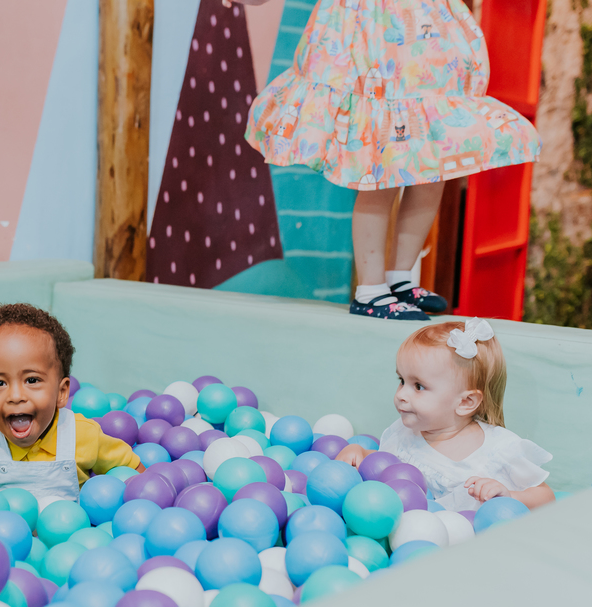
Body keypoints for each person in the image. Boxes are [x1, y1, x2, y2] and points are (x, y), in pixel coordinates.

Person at [234, 0, 541, 320]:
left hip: (426, 43)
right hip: (374, 38)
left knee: (432, 169)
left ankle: (400, 279)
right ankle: (370, 289)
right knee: (379, 170)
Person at [0, 304, 143, 515]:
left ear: (61, 392)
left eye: (32, 380)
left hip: (68, 543)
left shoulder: (82, 434)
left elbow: (135, 473)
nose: (15, 396)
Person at [337, 319, 553, 511]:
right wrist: (359, 452)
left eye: (419, 386)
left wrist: (509, 496)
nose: (401, 394)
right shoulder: (405, 434)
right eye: (401, 380)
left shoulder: (499, 451)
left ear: (466, 402)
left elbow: (547, 498)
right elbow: (383, 466)